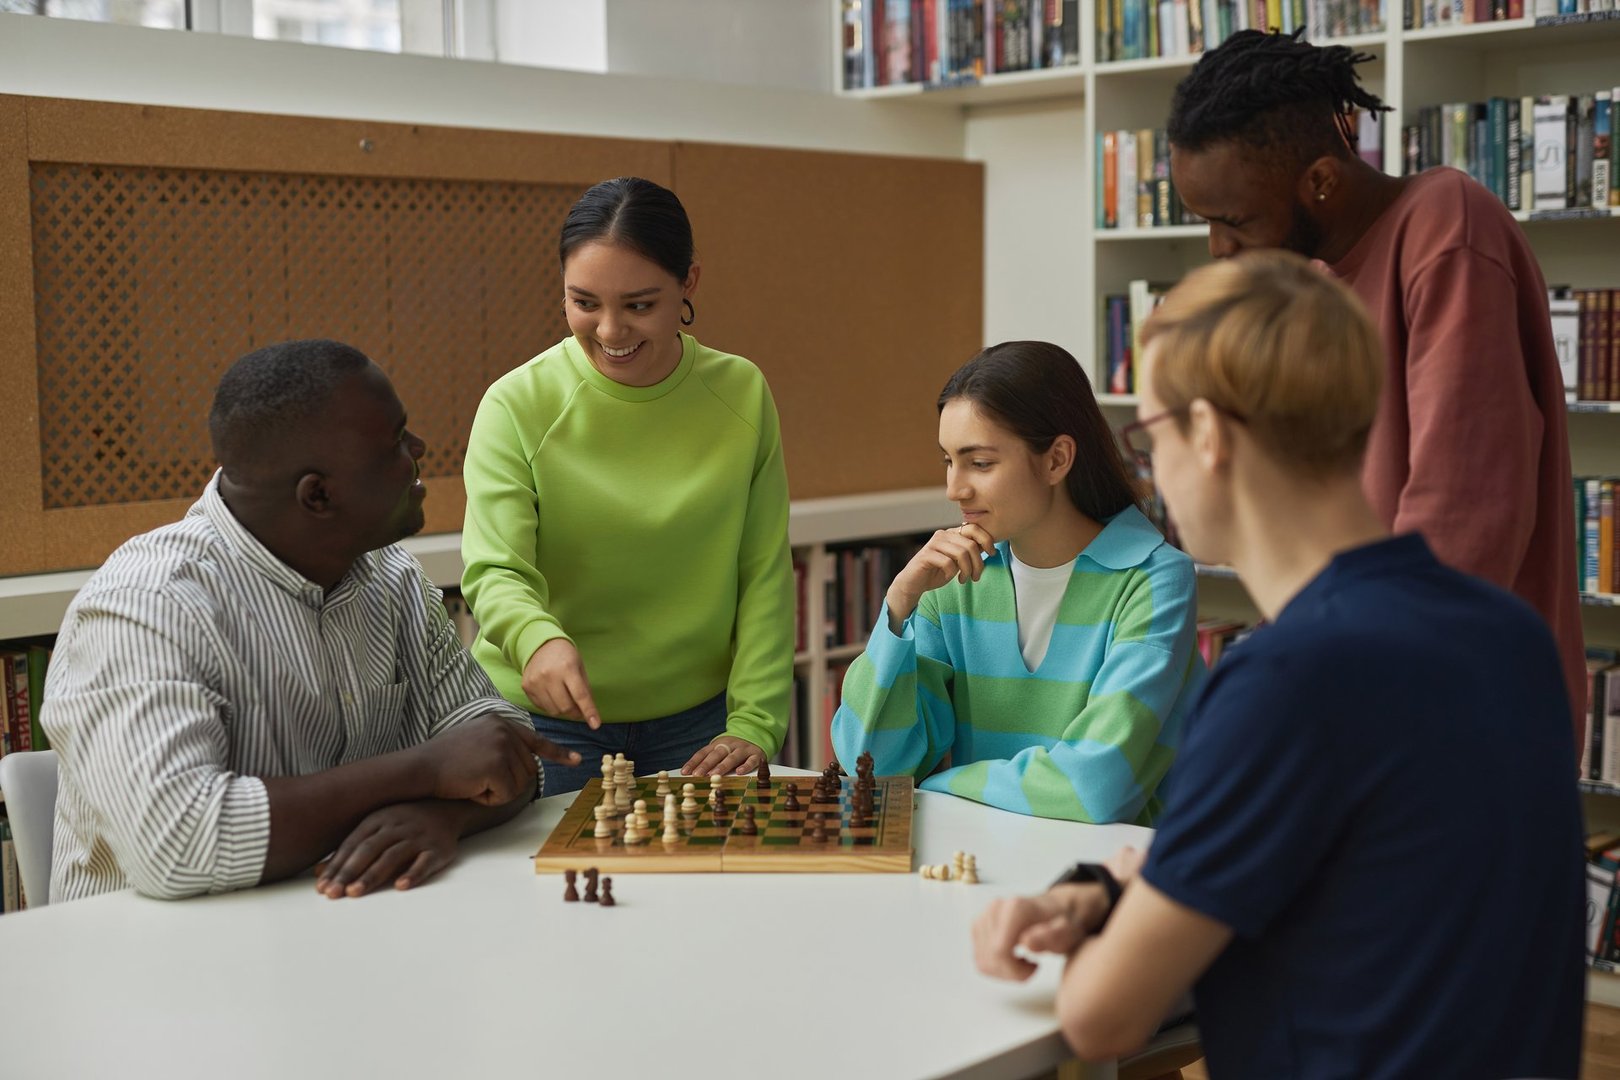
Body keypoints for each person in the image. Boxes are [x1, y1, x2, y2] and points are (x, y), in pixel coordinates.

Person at [972, 253, 1584, 1077]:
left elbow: (1101, 1017)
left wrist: (1122, 916)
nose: (1152, 472)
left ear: (1211, 436)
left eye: (1151, 434)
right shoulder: (1507, 632)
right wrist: (1123, 889)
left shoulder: (1282, 681)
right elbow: (1361, 864)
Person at [1165, 29, 1584, 752]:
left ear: (1321, 180)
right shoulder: (1316, 280)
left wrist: (1337, 688)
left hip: (1448, 699)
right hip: (1369, 680)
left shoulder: (1446, 226)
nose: (1217, 248)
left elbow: (1464, 517)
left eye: (1233, 221)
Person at [41, 339, 577, 903]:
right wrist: (424, 771)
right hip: (159, 965)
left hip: (345, 930)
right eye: (396, 441)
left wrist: (440, 818)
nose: (420, 448)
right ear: (317, 495)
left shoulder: (390, 574)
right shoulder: (143, 606)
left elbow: (503, 749)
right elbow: (175, 844)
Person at [460, 176, 794, 795]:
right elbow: (495, 570)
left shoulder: (741, 393)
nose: (611, 331)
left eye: (640, 305)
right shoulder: (515, 404)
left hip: (701, 729)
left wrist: (754, 721)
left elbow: (764, 571)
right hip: (546, 723)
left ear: (688, 284)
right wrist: (534, 641)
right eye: (584, 303)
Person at [830, 341, 1203, 824]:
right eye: (948, 460)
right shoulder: (952, 581)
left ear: (1056, 460)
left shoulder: (1155, 581)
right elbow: (872, 769)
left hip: (1112, 882)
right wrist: (899, 605)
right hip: (979, 867)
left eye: (979, 463)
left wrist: (939, 785)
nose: (954, 489)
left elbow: (1093, 788)